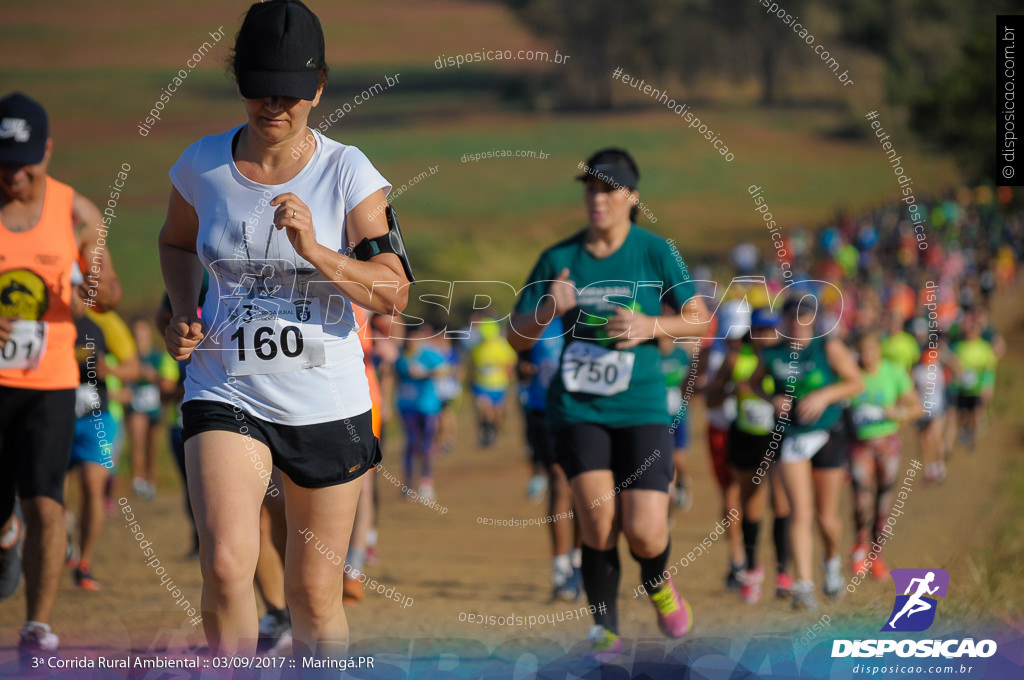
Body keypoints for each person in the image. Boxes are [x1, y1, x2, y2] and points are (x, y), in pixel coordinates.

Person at [158, 0, 409, 658]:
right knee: (223, 565)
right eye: (258, 89)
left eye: (290, 94)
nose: (273, 106)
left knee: (314, 598)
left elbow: (393, 290)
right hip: (225, 386)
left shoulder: (348, 171)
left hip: (326, 401)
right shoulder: (200, 167)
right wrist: (184, 310)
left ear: (319, 86)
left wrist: (318, 250)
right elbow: (177, 247)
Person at [509, 148, 709, 660]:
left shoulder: (656, 250)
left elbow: (700, 318)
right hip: (578, 406)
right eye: (590, 189)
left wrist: (652, 325)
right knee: (597, 522)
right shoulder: (559, 257)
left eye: (607, 189)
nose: (596, 198)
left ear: (632, 197)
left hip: (641, 406)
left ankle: (659, 584)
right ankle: (606, 629)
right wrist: (549, 308)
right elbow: (516, 337)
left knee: (644, 530)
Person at [0, 91, 121, 664]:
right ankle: (5, 537)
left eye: (25, 160)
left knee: (47, 502)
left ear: (46, 150)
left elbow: (110, 295)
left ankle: (38, 626)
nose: (14, 174)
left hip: (49, 382)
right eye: (3, 162)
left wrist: (96, 282)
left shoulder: (77, 212)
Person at [751, 296, 863, 611]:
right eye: (792, 321)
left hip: (827, 434)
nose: (798, 327)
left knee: (826, 519)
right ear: (783, 322)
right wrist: (772, 398)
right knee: (798, 512)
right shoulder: (772, 353)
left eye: (805, 320)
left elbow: (856, 383)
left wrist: (825, 395)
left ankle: (831, 561)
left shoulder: (828, 348)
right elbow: (753, 382)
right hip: (792, 435)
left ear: (813, 321)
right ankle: (804, 585)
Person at [719, 307, 793, 604]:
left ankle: (783, 572)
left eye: (771, 330)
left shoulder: (786, 358)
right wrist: (725, 390)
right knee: (751, 503)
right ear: (752, 330)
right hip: (746, 436)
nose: (765, 336)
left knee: (782, 502)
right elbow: (713, 392)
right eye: (760, 330)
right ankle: (752, 569)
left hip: (778, 436)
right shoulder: (738, 358)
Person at [847, 331, 922, 580]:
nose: (867, 357)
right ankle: (860, 546)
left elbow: (917, 407)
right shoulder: (851, 373)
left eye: (871, 351)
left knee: (883, 502)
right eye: (862, 352)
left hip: (887, 444)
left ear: (879, 351)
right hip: (859, 444)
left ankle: (877, 555)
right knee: (861, 499)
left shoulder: (893, 372)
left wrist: (898, 412)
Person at [517, 316, 581, 600]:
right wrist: (523, 369)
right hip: (543, 413)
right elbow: (520, 361)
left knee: (583, 488)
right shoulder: (537, 321)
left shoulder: (586, 317)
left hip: (583, 414)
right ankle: (560, 566)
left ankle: (579, 561)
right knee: (559, 482)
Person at [701, 300, 748, 588]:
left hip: (755, 431)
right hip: (721, 431)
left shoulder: (756, 352)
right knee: (730, 496)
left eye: (739, 337)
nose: (734, 342)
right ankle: (738, 560)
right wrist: (726, 389)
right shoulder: (710, 355)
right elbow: (699, 394)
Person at [395, 322, 448, 501]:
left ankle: (426, 482)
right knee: (410, 444)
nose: (411, 341)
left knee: (427, 444)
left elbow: (446, 369)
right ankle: (408, 485)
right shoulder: (400, 357)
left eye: (415, 338)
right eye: (409, 338)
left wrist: (425, 373)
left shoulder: (428, 354)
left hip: (427, 407)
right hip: (407, 407)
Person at [127, 318, 176, 500]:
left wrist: (153, 376)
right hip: (136, 405)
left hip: (155, 406)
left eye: (143, 334)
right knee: (137, 442)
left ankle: (151, 483)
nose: (140, 338)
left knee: (152, 446)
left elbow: (165, 380)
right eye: (137, 335)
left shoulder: (158, 356)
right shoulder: (130, 356)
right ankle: (138, 481)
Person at [950, 309, 998, 452]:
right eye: (969, 330)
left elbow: (989, 369)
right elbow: (952, 363)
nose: (970, 332)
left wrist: (988, 387)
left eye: (974, 330)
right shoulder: (959, 347)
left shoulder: (985, 349)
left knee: (976, 415)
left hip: (978, 388)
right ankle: (966, 429)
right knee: (963, 415)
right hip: (961, 388)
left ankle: (974, 442)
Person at [657, 329, 693, 512]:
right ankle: (668, 505)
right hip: (659, 417)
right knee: (666, 459)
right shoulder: (652, 354)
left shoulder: (682, 355)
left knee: (678, 457)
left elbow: (690, 382)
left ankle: (684, 480)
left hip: (679, 415)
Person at [469, 318, 517, 447]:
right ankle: (487, 432)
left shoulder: (503, 345)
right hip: (482, 385)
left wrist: (508, 376)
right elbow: (473, 366)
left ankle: (493, 430)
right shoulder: (476, 348)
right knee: (484, 409)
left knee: (496, 413)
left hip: (499, 386)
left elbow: (510, 363)